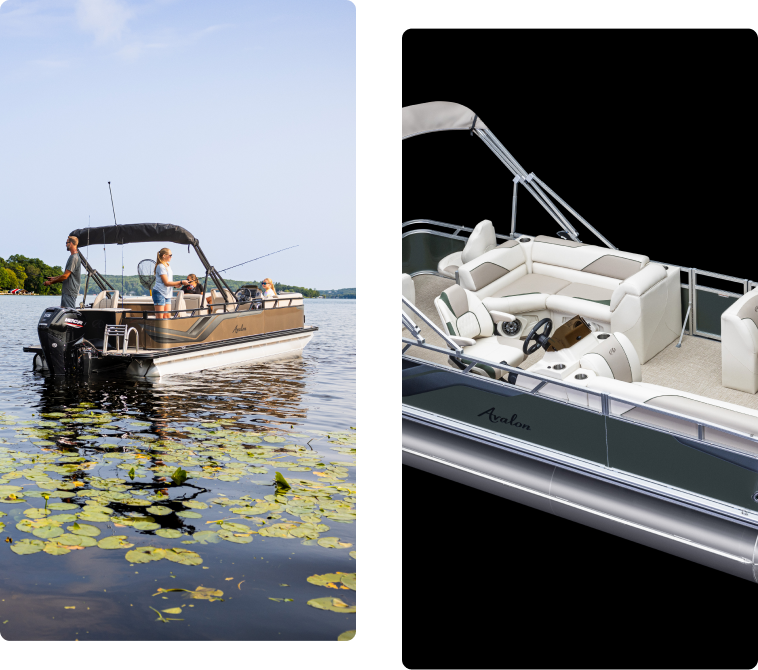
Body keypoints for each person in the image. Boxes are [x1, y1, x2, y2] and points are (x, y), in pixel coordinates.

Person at [44, 236, 81, 309]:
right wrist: (53, 278)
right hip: (67, 291)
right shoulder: (73, 256)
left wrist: (51, 283)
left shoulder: (74, 258)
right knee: (67, 312)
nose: (66, 245)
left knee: (70, 313)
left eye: (66, 243)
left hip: (69, 292)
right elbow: (66, 274)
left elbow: (65, 276)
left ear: (70, 243)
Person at [153, 248, 188, 319]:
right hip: (159, 293)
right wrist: (181, 282)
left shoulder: (167, 266)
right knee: (160, 317)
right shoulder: (161, 266)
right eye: (170, 255)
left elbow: (168, 282)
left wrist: (175, 285)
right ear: (164, 255)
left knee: (167, 316)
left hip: (167, 294)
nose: (171, 257)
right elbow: (166, 282)